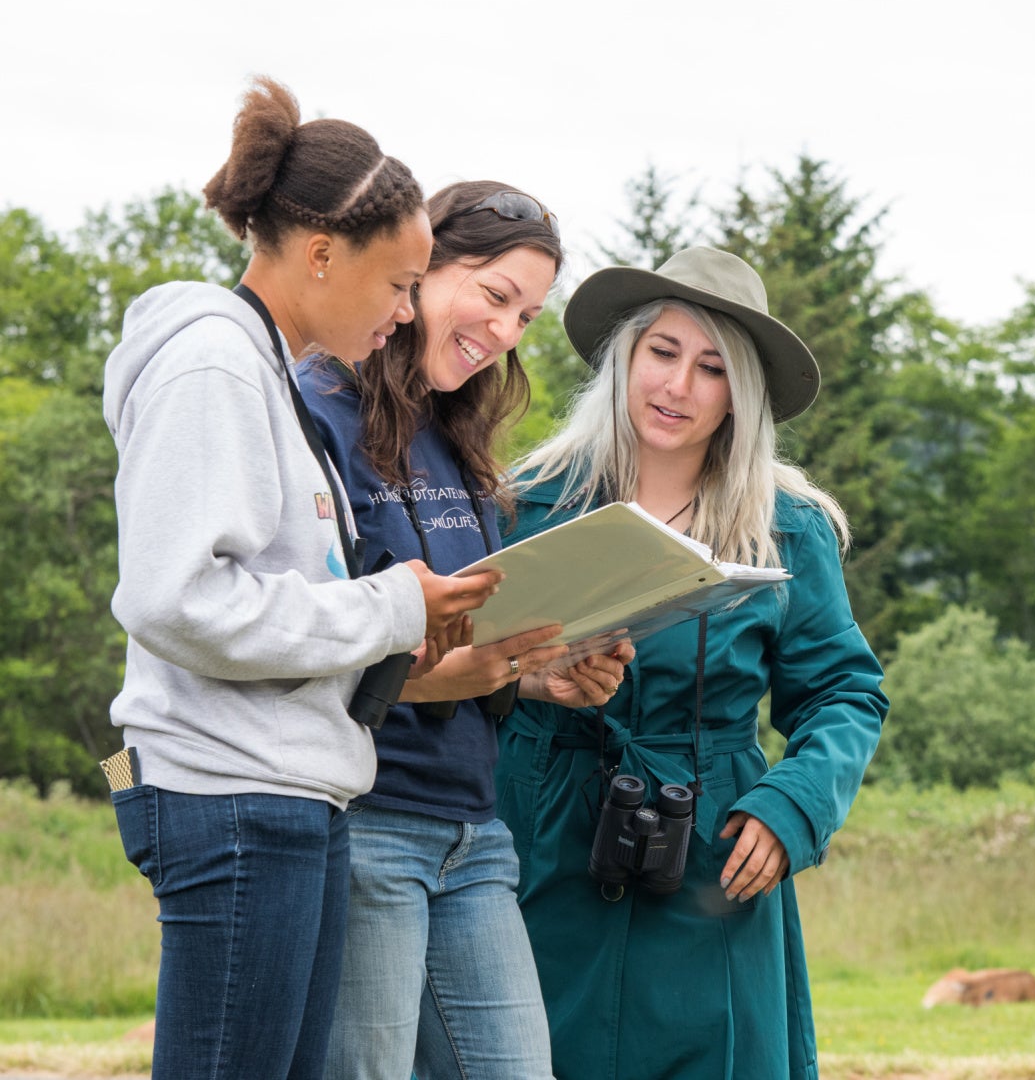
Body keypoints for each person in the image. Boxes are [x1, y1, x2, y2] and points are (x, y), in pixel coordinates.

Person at [102, 77, 500, 1080]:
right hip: (231, 798)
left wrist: (404, 627)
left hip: (292, 795)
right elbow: (177, 599)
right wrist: (393, 602)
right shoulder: (212, 365)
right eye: (401, 282)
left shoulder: (267, 376)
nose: (408, 310)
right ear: (321, 253)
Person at [495, 246, 889, 1080]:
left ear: (740, 393)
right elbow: (453, 667)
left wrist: (794, 807)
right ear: (625, 358)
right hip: (539, 838)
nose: (678, 386)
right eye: (663, 353)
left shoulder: (788, 526)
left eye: (712, 368)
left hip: (712, 844)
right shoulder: (524, 500)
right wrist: (531, 681)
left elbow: (844, 693)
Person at [297, 181, 635, 1079]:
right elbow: (288, 635)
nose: (506, 332)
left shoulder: (454, 434)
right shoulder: (313, 408)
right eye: (495, 295)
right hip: (368, 821)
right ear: (420, 265)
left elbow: (462, 633)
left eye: (525, 315)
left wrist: (534, 674)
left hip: (474, 832)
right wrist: (434, 673)